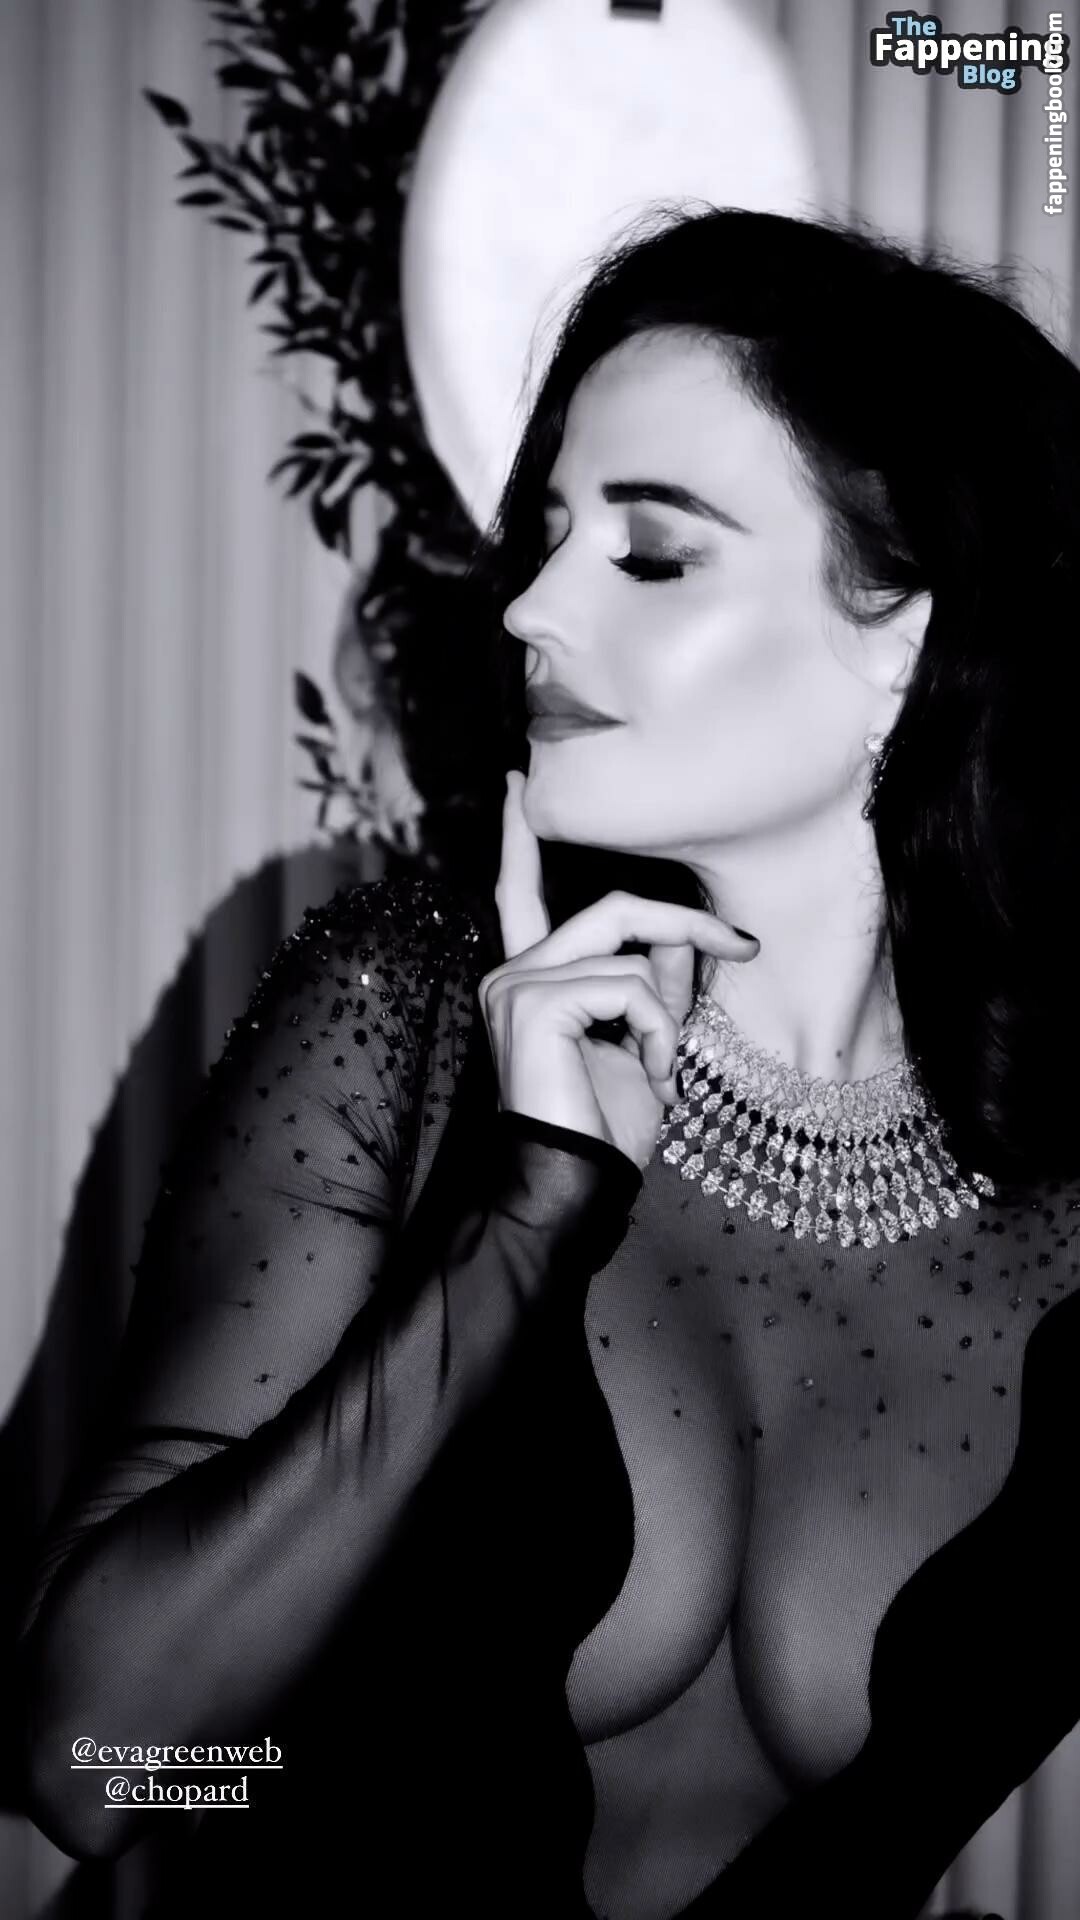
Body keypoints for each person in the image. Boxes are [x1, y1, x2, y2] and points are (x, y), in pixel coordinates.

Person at [12, 204, 1080, 1920]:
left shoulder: (1064, 1189)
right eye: (550, 534)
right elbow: (93, 1761)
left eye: (649, 557)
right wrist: (522, 1217)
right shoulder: (410, 1016)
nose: (529, 607)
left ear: (903, 634)